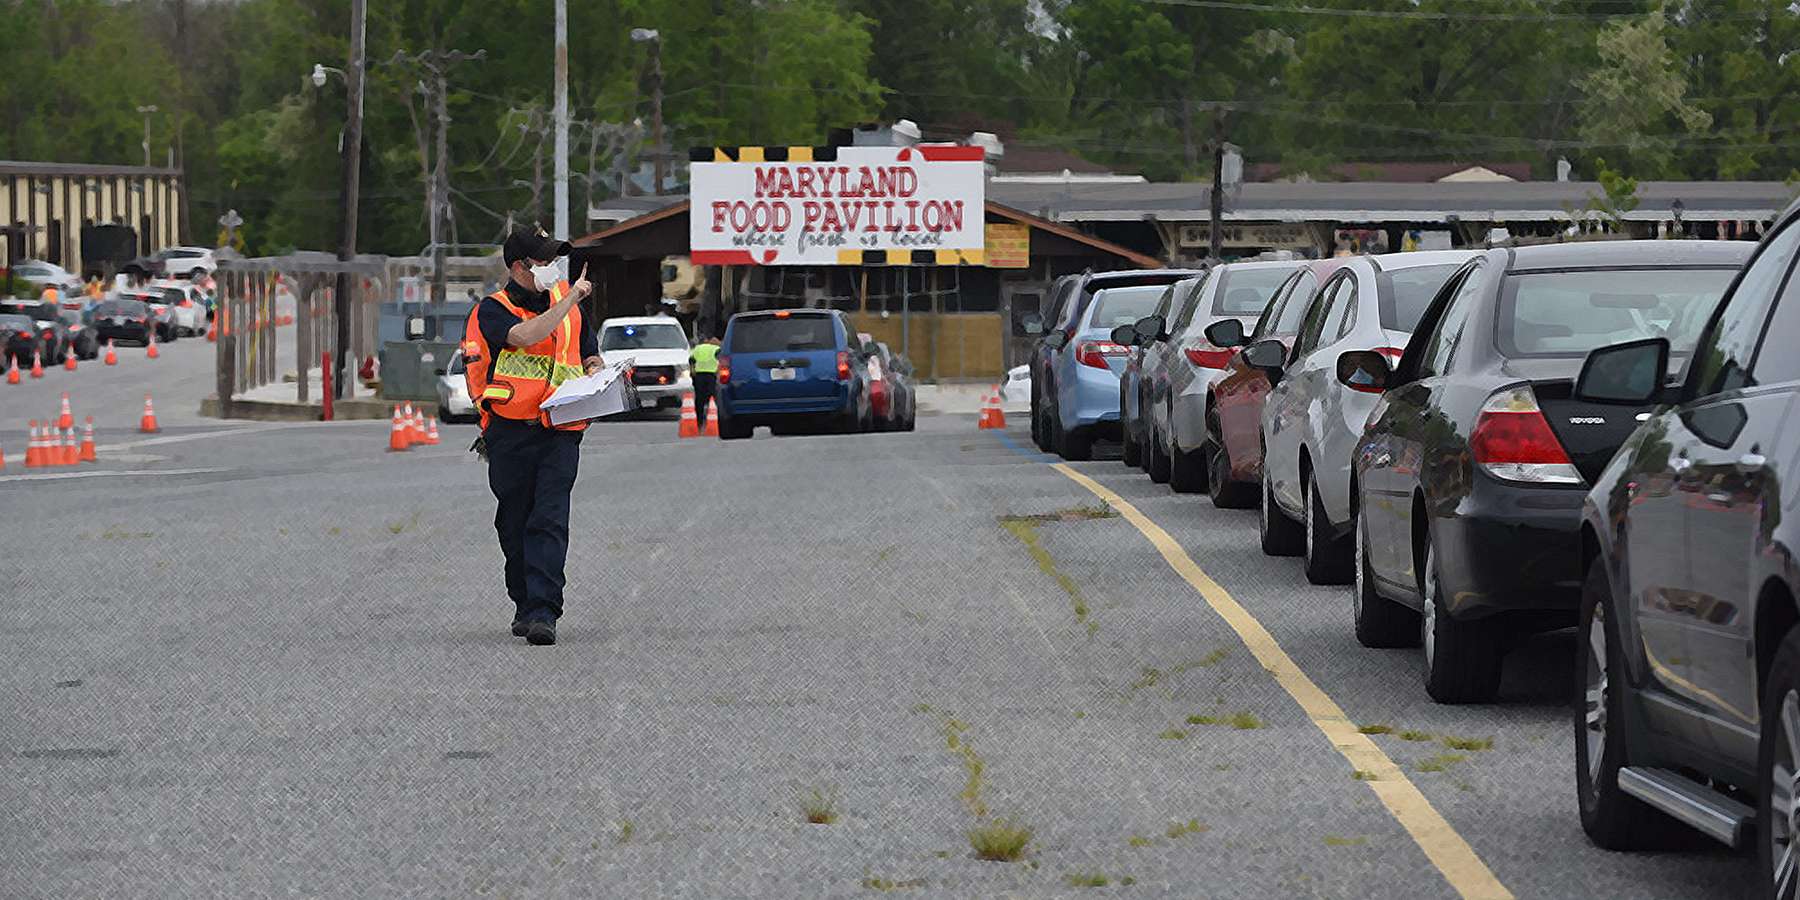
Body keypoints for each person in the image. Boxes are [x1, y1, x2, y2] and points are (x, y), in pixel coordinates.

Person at [464, 227, 601, 646]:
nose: (551, 268)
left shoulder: (569, 307)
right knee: (514, 522)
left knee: (549, 518)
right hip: (509, 432)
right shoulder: (493, 310)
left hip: (560, 431)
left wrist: (597, 371)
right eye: (542, 261)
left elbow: (588, 352)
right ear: (518, 267)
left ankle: (544, 611)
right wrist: (571, 299)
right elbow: (524, 337)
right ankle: (524, 603)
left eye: (553, 260)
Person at [690, 335, 722, 429]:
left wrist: (692, 371)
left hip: (699, 375)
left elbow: (691, 360)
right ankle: (716, 418)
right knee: (714, 397)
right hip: (711, 375)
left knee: (699, 399)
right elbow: (722, 359)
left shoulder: (697, 348)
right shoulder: (716, 348)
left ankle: (699, 421)